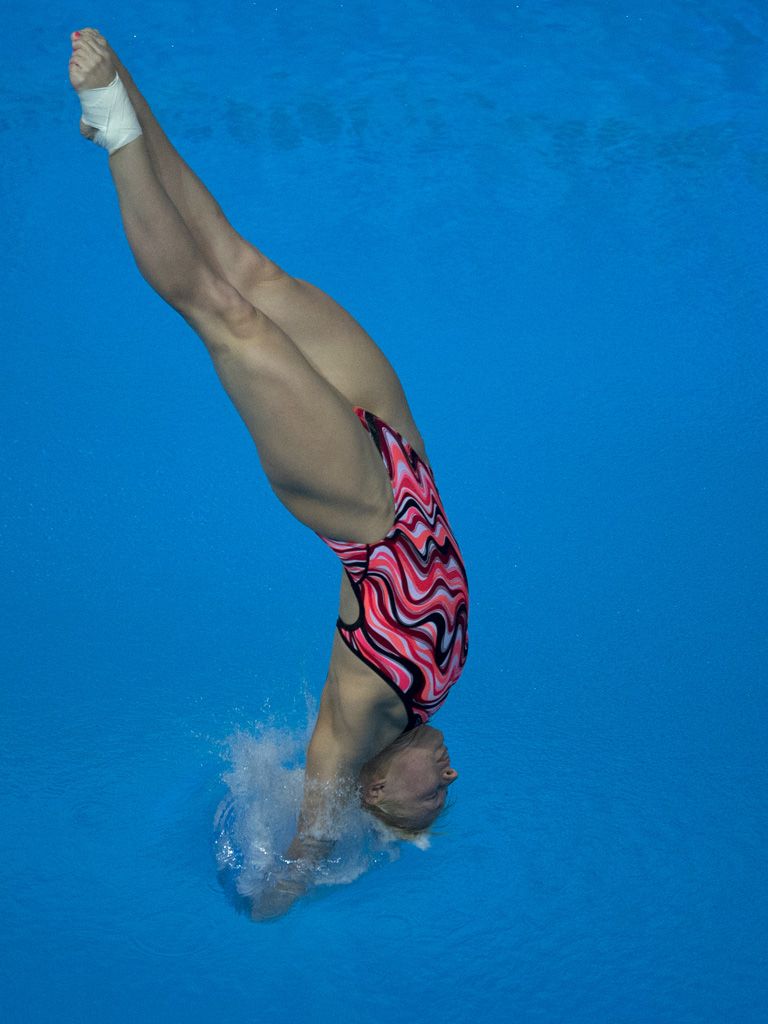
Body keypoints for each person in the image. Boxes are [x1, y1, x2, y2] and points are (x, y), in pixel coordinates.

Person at [69, 28, 469, 918]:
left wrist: (280, 892)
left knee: (226, 315)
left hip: (361, 509)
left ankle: (108, 123)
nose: (449, 773)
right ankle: (123, 98)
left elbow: (304, 845)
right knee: (251, 264)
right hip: (403, 453)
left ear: (375, 794)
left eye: (430, 793)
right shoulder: (426, 706)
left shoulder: (347, 742)